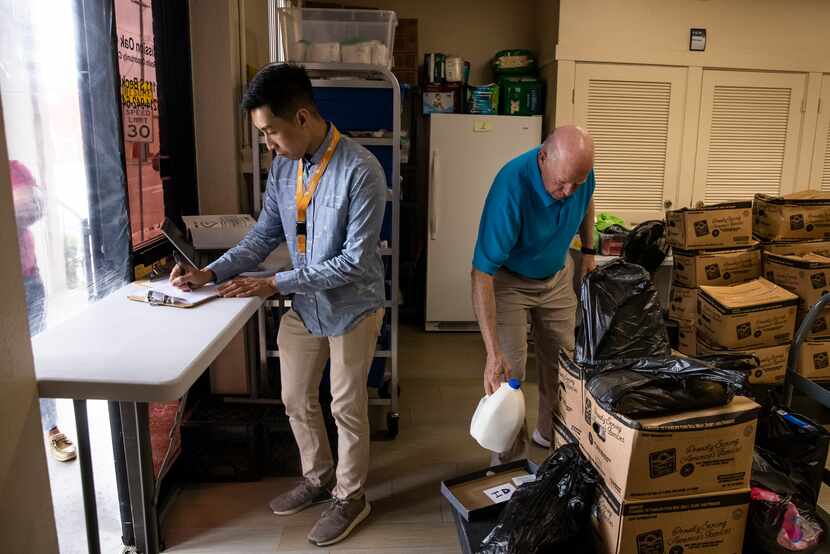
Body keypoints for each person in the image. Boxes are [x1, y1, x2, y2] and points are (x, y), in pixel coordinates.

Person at [170, 64, 386, 547]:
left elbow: (353, 262)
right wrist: (210, 272)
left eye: (270, 132)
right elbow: (263, 236)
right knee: (294, 398)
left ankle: (352, 497)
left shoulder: (362, 170)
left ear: (303, 118)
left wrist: (273, 283)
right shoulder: (285, 169)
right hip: (305, 303)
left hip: (353, 305)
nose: (267, 143)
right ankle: (318, 477)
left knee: (347, 406)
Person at [470, 126, 596, 464]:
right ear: (543, 158)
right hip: (510, 281)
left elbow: (586, 201)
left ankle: (549, 435)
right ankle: (508, 464)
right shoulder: (510, 189)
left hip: (556, 275)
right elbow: (481, 274)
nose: (569, 192)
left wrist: (589, 249)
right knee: (509, 374)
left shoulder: (579, 174)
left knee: (562, 365)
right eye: (560, 183)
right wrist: (491, 352)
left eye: (577, 183)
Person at [10, 159, 77, 462]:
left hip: (26, 279)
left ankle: (51, 427)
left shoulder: (13, 167)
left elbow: (36, 209)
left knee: (37, 354)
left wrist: (23, 205)